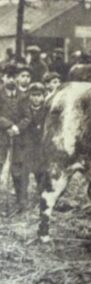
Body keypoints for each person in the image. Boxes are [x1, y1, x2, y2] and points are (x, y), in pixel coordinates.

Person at [0, 64, 32, 212]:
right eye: (8, 76)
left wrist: (18, 128)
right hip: (1, 136)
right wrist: (8, 126)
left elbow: (28, 116)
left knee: (18, 170)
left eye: (13, 77)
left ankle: (21, 201)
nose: (11, 80)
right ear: (2, 77)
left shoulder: (23, 96)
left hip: (19, 138)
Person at [23, 83, 47, 200]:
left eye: (39, 95)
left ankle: (42, 191)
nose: (36, 98)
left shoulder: (46, 110)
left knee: (42, 168)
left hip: (42, 143)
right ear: (29, 96)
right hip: (28, 143)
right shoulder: (25, 110)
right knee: (28, 168)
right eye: (33, 95)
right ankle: (23, 196)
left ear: (43, 96)